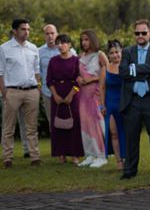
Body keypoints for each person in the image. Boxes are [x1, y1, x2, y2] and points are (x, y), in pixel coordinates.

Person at [119, 19, 150, 179]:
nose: (140, 36)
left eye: (143, 33)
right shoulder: (127, 51)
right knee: (131, 137)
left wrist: (134, 68)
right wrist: (145, 70)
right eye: (137, 33)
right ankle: (129, 170)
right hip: (132, 100)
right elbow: (123, 71)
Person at [0, 19, 42, 167]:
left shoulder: (33, 48)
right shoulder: (4, 48)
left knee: (31, 127)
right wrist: (4, 92)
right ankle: (7, 158)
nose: (27, 32)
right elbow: (1, 73)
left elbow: (37, 71)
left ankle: (35, 156)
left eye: (28, 29)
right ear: (15, 31)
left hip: (31, 91)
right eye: (23, 29)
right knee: (8, 127)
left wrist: (38, 88)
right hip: (12, 92)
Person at [46, 34, 84, 164]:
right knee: (58, 124)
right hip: (56, 95)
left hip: (73, 95)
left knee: (75, 124)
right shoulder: (53, 61)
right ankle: (60, 154)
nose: (60, 45)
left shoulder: (76, 60)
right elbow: (49, 80)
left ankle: (75, 154)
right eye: (58, 43)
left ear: (70, 45)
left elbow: (79, 81)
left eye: (63, 43)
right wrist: (55, 95)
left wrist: (71, 95)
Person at [77, 29, 108, 168]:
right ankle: (90, 154)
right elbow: (78, 75)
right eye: (82, 40)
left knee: (96, 123)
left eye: (87, 39)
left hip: (95, 93)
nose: (84, 42)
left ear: (92, 40)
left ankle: (102, 155)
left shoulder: (100, 55)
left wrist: (91, 79)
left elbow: (109, 71)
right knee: (85, 124)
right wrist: (79, 79)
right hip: (82, 94)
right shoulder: (80, 56)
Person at [39, 24, 76, 129]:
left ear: (57, 34)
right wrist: (40, 88)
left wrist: (72, 92)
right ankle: (56, 145)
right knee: (53, 123)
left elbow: (77, 73)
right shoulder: (39, 52)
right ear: (44, 36)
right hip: (48, 93)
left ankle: (70, 145)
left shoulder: (70, 52)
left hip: (69, 93)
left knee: (71, 121)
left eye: (52, 33)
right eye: (47, 33)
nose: (50, 36)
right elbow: (38, 72)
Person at [103, 39, 125, 170]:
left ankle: (128, 158)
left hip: (126, 104)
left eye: (117, 52)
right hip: (111, 104)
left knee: (126, 132)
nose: (115, 55)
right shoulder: (105, 68)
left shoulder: (127, 66)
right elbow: (102, 88)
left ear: (121, 51)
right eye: (112, 53)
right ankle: (119, 161)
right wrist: (102, 105)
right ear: (108, 54)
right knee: (114, 133)